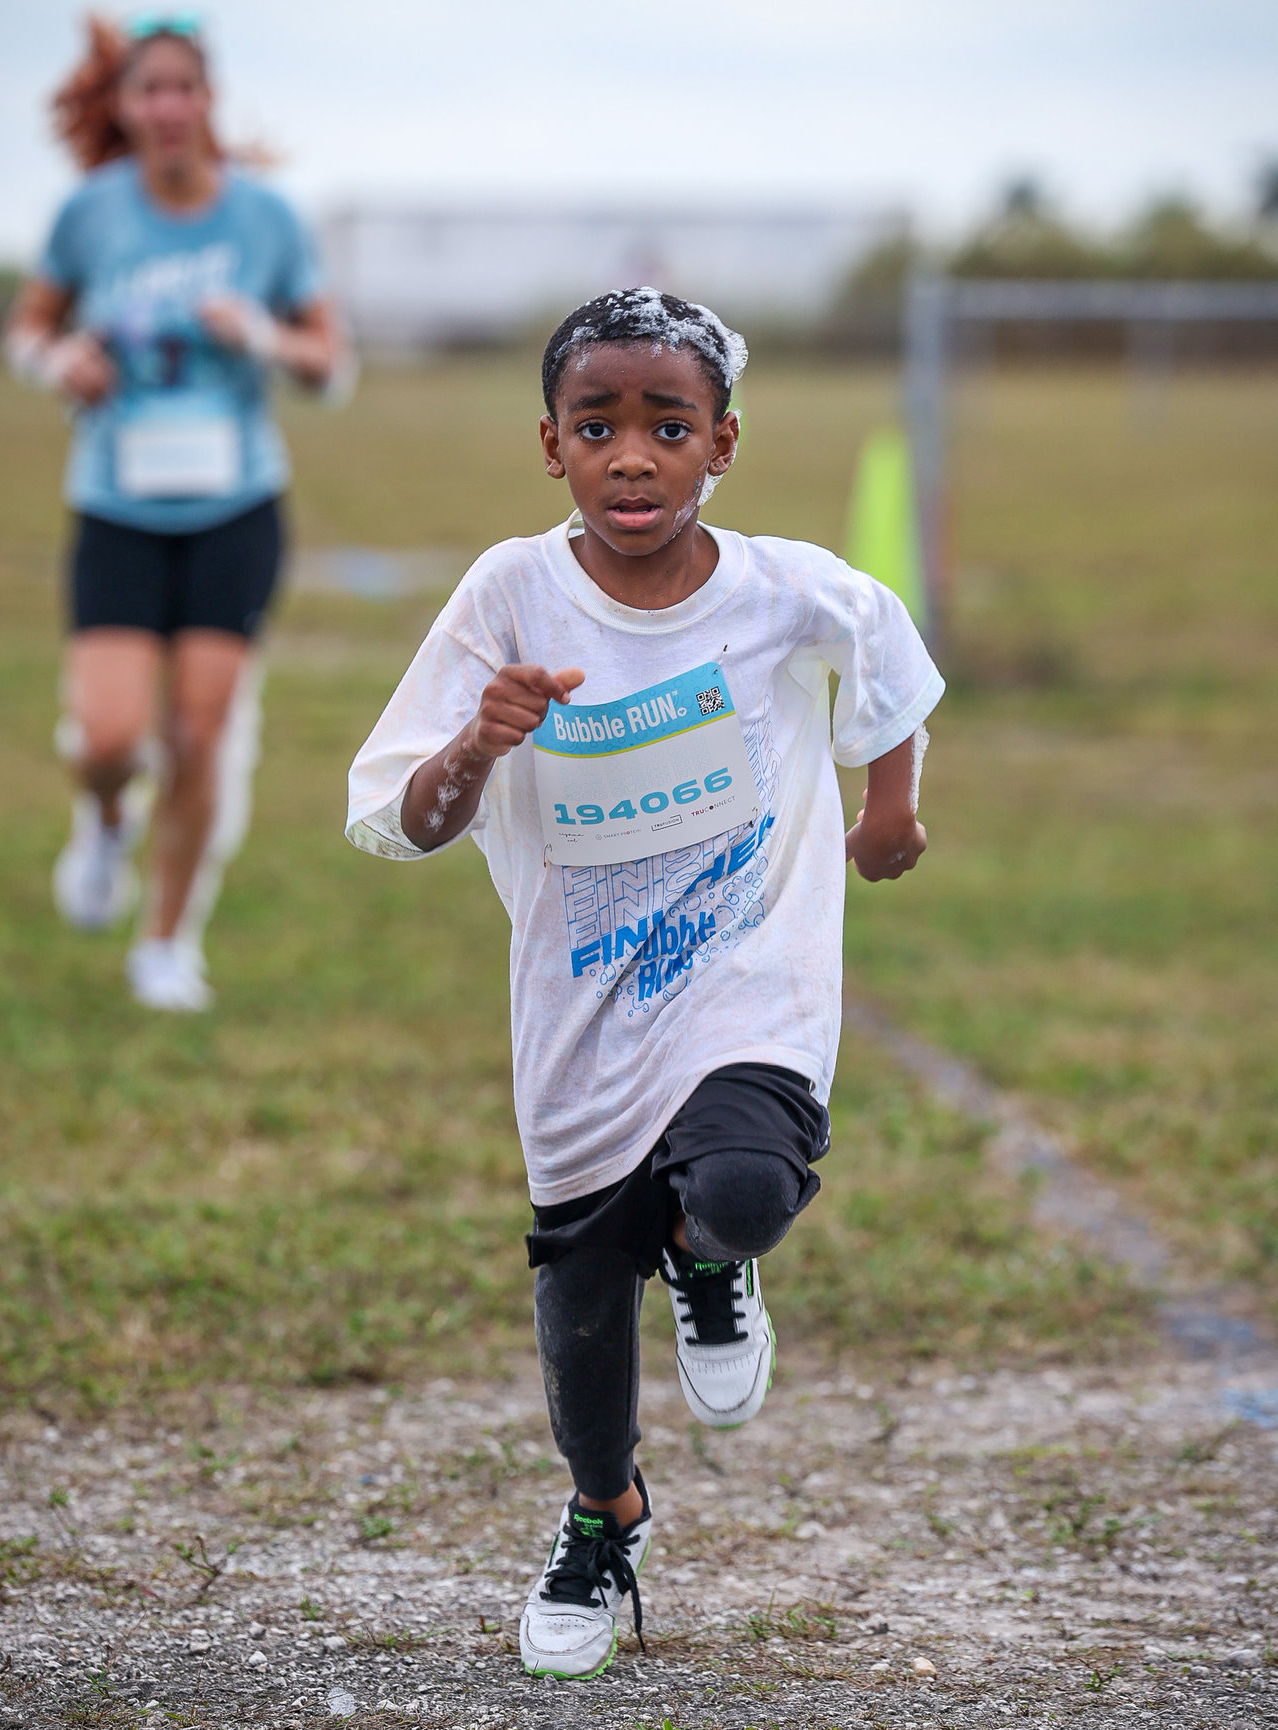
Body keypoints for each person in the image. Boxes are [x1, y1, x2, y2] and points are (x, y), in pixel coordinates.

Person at [346, 288, 943, 1679]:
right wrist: (480, 748)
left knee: (736, 1187)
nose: (632, 456)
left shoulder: (786, 588)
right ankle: (603, 1511)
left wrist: (889, 809)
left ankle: (713, 1257)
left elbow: (891, 665)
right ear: (548, 443)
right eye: (598, 425)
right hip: (583, 1008)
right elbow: (410, 818)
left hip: (748, 977)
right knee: (580, 1300)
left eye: (666, 426)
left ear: (719, 443)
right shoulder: (508, 593)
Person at [4, 14, 351, 1010]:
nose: (164, 107)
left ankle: (165, 942)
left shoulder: (268, 221)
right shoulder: (90, 214)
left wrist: (264, 338)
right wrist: (53, 357)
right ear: (122, 107)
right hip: (115, 505)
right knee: (110, 738)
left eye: (181, 89)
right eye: (144, 89)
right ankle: (105, 821)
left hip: (236, 506)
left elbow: (332, 363)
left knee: (198, 736)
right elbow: (31, 322)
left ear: (209, 101)